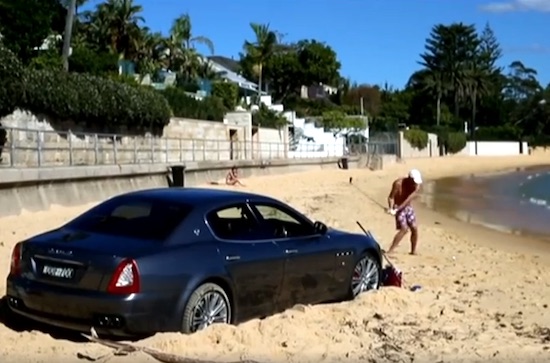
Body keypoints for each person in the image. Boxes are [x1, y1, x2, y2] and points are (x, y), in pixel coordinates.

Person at [386, 169, 423, 255]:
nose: (415, 184)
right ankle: (391, 250)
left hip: (407, 207)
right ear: (409, 179)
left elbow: (408, 199)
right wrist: (391, 208)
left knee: (414, 228)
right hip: (397, 207)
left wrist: (398, 209)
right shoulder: (398, 184)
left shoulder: (416, 186)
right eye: (414, 182)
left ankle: (413, 251)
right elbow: (390, 197)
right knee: (404, 229)